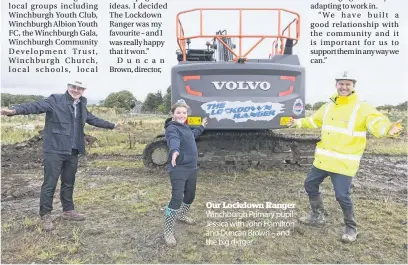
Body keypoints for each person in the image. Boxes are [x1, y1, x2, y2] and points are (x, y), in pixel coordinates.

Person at [287, 71, 403, 243]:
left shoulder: (362, 107)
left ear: (353, 86)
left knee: (342, 196)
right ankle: (317, 216)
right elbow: (312, 121)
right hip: (324, 160)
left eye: (348, 84)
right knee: (310, 184)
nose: (344, 87)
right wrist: (295, 122)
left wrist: (387, 129)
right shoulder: (328, 107)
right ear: (336, 85)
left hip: (344, 163)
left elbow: (376, 123)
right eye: (341, 84)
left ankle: (351, 227)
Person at [1, 80, 119, 232]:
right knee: (50, 183)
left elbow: (93, 119)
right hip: (55, 150)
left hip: (73, 151)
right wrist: (14, 110)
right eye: (73, 87)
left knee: (69, 182)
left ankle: (68, 211)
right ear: (68, 87)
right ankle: (45, 215)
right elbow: (35, 106)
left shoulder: (81, 104)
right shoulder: (55, 100)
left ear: (83, 90)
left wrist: (112, 125)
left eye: (80, 88)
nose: (76, 90)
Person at [163, 99, 208, 246]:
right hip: (179, 169)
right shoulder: (172, 128)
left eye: (184, 112)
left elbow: (191, 135)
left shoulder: (186, 127)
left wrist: (201, 127)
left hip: (192, 168)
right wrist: (174, 151)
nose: (182, 115)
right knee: (176, 199)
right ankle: (168, 230)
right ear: (173, 114)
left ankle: (182, 214)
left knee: (190, 195)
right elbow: (173, 140)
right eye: (178, 112)